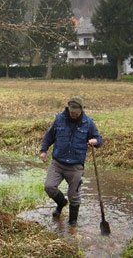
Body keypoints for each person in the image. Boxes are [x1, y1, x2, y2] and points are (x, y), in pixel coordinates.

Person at [39, 96, 103, 226]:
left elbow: (99, 139)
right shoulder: (59, 119)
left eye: (76, 112)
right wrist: (44, 150)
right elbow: (48, 136)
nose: (74, 114)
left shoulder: (88, 122)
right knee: (49, 187)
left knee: (74, 195)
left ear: (81, 110)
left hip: (75, 166)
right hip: (57, 163)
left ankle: (73, 224)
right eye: (71, 111)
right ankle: (61, 203)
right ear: (68, 109)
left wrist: (94, 141)